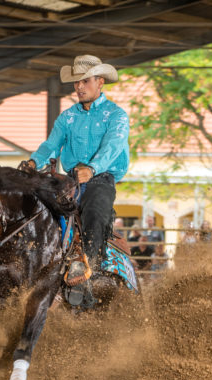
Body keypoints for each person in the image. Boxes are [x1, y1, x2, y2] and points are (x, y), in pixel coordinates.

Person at [22, 54, 129, 305]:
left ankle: (87, 263)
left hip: (101, 177)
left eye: (85, 81)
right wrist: (32, 163)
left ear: (100, 81)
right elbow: (51, 145)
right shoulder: (67, 117)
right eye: (76, 83)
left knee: (96, 207)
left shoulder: (117, 115)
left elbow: (113, 146)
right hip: (69, 179)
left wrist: (92, 169)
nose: (79, 87)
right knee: (35, 205)